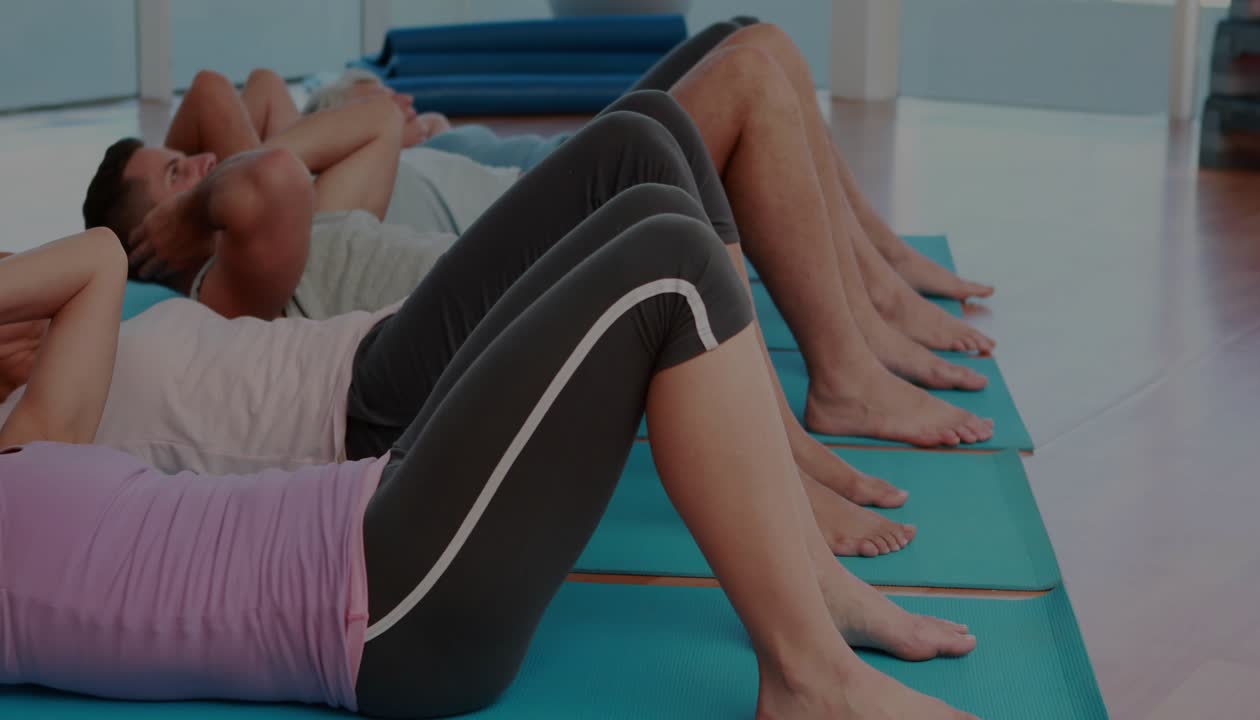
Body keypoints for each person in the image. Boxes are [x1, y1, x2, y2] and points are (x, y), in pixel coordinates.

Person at [0, 216, 979, 720]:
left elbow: (99, 258)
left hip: (385, 515)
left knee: (642, 208)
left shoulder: (31, 437)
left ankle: (812, 602)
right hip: (382, 606)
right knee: (671, 272)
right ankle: (809, 679)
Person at [16, 111, 916, 557]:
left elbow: (312, 130)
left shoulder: (99, 337)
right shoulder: (40, 421)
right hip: (369, 409)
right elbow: (116, 245)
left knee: (649, 148)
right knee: (637, 157)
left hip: (387, 355)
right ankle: (787, 475)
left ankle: (785, 451)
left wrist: (178, 210)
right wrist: (172, 227)